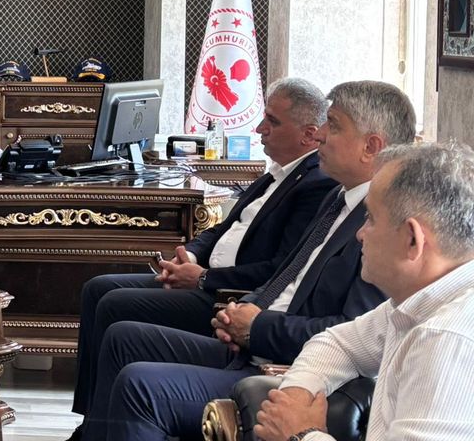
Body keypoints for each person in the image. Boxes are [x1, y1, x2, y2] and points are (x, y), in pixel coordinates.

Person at [78, 80, 415, 441]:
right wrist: (239, 312)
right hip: (252, 341)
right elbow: (285, 276)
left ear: (371, 146)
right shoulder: (338, 199)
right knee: (123, 338)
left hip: (284, 370)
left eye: (332, 126)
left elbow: (351, 334)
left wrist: (255, 326)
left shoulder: (383, 229)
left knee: (139, 384)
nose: (320, 135)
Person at [252, 141, 474, 441]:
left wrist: (302, 434)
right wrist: (296, 396)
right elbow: (337, 343)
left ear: (412, 239)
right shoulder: (420, 300)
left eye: (370, 218)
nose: (359, 233)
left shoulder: (447, 339)